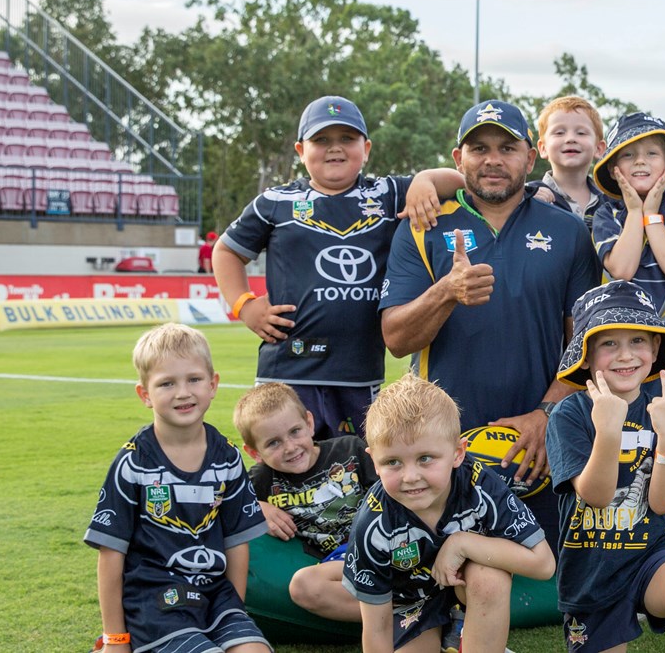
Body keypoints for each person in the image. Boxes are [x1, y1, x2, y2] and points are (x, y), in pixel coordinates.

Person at [381, 99, 600, 497]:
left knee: (544, 558)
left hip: (537, 442)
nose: (493, 160)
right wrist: (446, 291)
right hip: (440, 441)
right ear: (458, 158)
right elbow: (396, 340)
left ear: (531, 157)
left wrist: (546, 413)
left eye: (507, 148)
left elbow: (586, 343)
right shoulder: (424, 225)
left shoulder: (568, 231)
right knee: (451, 558)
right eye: (480, 149)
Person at [214, 95, 464, 439]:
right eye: (321, 140)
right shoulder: (275, 202)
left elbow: (456, 180)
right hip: (289, 370)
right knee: (284, 472)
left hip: (359, 374)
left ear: (367, 148)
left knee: (357, 473)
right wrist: (244, 305)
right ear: (301, 151)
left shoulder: (388, 194)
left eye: (347, 139)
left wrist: (424, 180)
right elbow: (226, 251)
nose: (335, 148)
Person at [545, 280, 665, 652]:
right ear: (588, 354)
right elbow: (595, 496)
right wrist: (608, 432)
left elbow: (664, 503)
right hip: (590, 569)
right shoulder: (569, 413)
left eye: (637, 341)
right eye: (609, 343)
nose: (625, 355)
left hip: (649, 555)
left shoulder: (663, 409)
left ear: (655, 346)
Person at [85, 323, 270, 653]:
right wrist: (115, 639)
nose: (183, 392)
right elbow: (111, 553)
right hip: (156, 601)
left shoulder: (226, 457)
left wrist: (235, 611)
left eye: (194, 379)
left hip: (216, 596)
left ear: (213, 385)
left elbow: (236, 542)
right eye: (167, 383)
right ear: (145, 395)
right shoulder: (133, 464)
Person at [341, 373, 554, 653]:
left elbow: (543, 564)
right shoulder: (373, 525)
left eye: (425, 458)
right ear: (374, 462)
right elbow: (377, 628)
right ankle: (450, 636)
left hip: (468, 588)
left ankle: (473, 633)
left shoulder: (480, 486)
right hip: (410, 604)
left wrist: (462, 543)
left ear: (457, 453)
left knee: (489, 578)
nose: (410, 476)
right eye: (392, 462)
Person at [233, 382, 378, 623]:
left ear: (309, 423)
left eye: (295, 432)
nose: (290, 447)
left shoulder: (349, 449)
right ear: (254, 452)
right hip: (335, 564)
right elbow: (220, 501)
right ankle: (404, 616)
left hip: (377, 548)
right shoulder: (262, 479)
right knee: (304, 587)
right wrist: (258, 506)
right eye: (273, 443)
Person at [591, 112, 665, 348]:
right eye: (628, 155)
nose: (640, 161)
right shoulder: (605, 215)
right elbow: (622, 269)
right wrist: (633, 213)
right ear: (613, 169)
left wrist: (651, 215)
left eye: (652, 153)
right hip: (620, 348)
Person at [528, 95, 609, 227]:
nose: (570, 139)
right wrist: (525, 201)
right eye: (559, 133)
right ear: (543, 148)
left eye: (581, 133)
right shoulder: (528, 196)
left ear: (599, 148)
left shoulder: (611, 203)